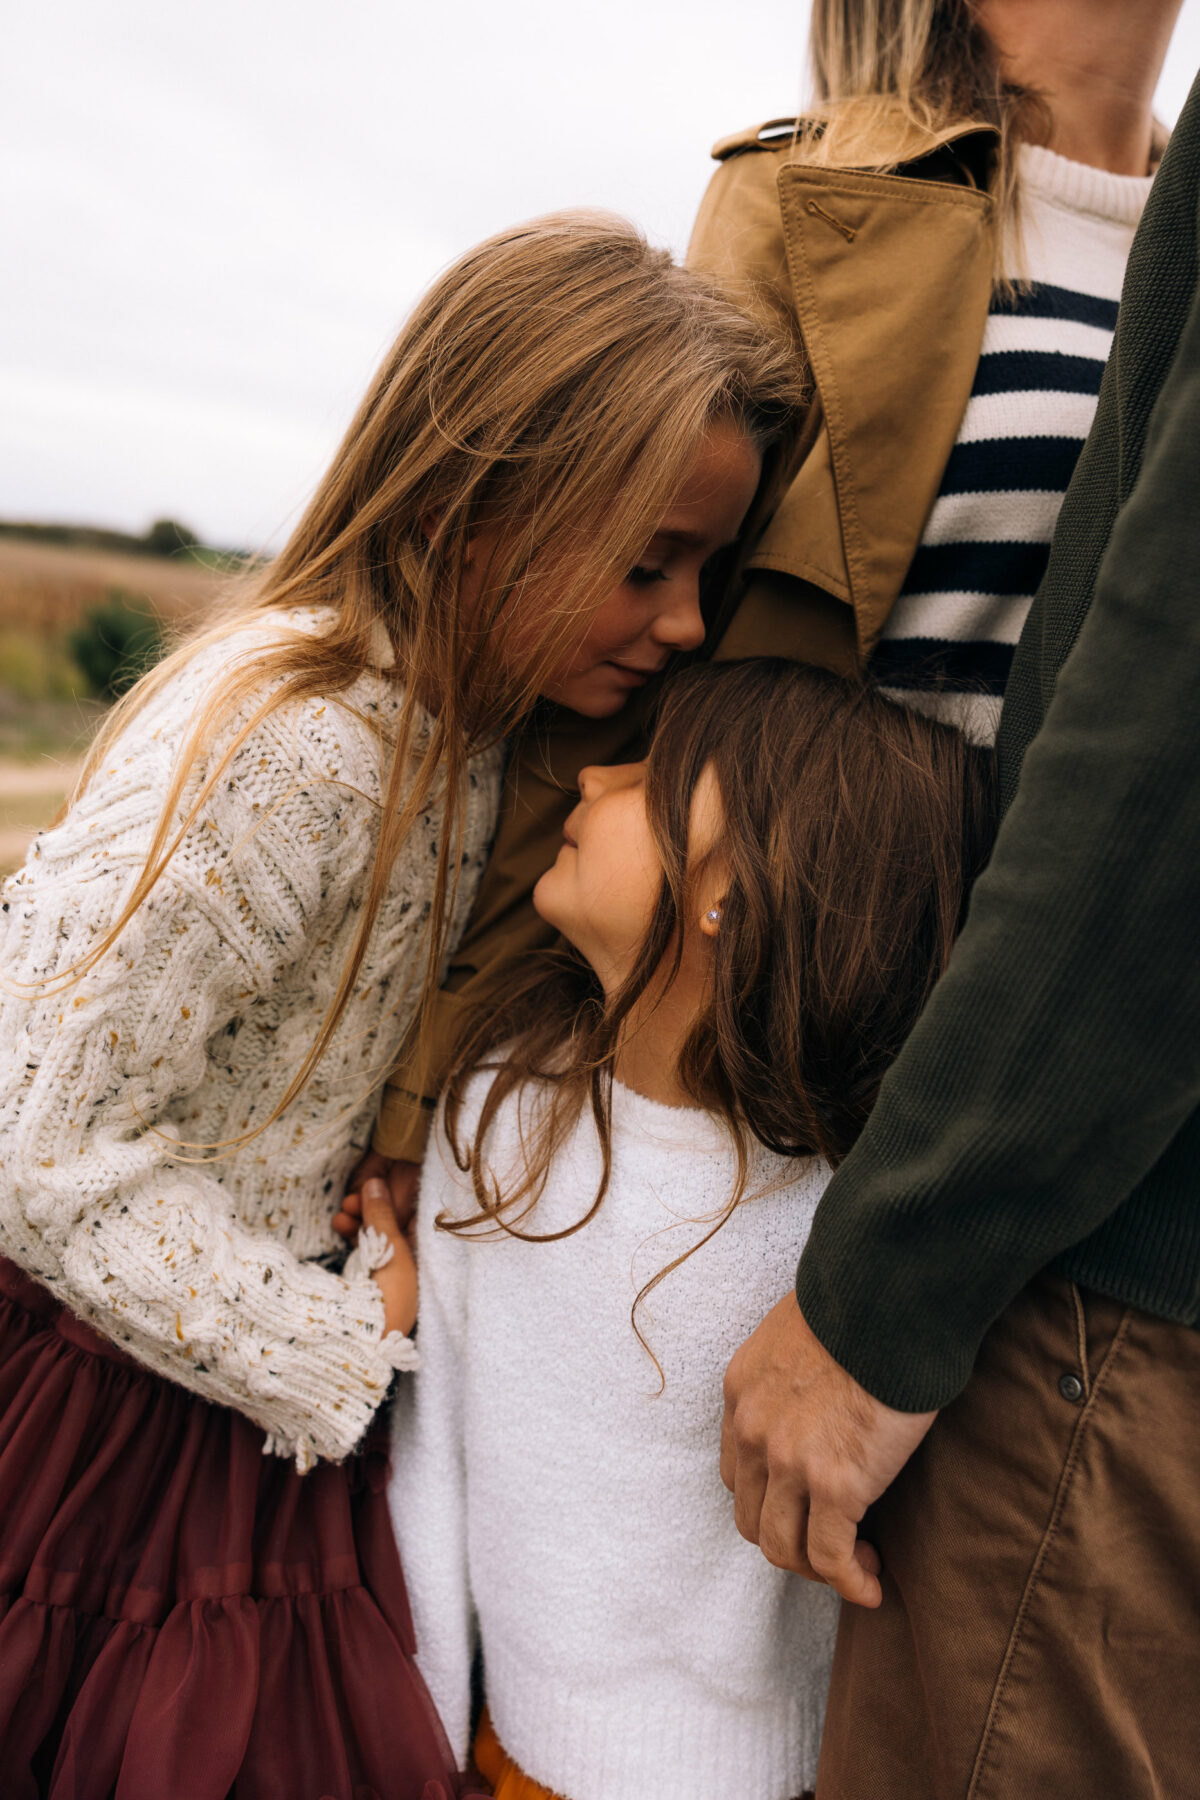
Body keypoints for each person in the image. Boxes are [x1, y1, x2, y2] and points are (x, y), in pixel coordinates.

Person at [0, 214, 799, 1798]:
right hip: (135, 1410)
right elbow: (38, 1149)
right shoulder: (287, 747)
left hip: (253, 1401)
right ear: (467, 510)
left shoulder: (469, 723)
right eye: (646, 564)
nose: (689, 623)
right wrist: (342, 1332)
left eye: (706, 569)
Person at [362, 0, 1176, 1202]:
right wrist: (425, 1097)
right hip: (771, 1051)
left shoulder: (1180, 237)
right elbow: (606, 664)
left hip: (1087, 1062)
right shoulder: (810, 190)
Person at [719, 64, 1200, 1800]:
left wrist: (898, 1280)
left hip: (1063, 1217)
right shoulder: (806, 193)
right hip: (847, 1127)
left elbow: (1170, 719)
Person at [381, 658, 997, 1800]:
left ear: (734, 897)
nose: (595, 776)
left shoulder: (849, 1217)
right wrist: (424, 1731)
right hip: (508, 1758)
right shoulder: (496, 1110)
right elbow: (433, 1456)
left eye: (652, 775)